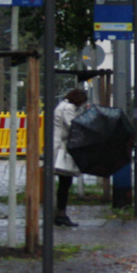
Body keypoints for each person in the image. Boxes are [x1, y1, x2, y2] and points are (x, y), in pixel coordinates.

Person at [52, 88, 88, 227]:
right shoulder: (68, 108)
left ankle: (59, 214)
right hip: (62, 147)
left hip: (58, 145)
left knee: (63, 182)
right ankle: (61, 214)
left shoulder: (62, 105)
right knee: (65, 181)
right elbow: (74, 125)